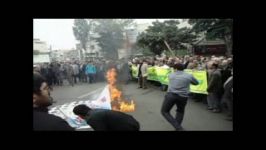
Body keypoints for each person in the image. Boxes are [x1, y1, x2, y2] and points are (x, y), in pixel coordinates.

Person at [161, 63, 199, 131]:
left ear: (175, 69)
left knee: (164, 111)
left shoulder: (171, 75)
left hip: (171, 95)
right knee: (180, 111)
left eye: (173, 68)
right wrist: (189, 81)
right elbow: (196, 83)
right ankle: (178, 127)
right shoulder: (189, 75)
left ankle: (178, 127)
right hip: (183, 96)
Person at [73, 105, 140, 131]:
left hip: (129, 128)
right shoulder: (95, 111)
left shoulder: (91, 118)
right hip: (132, 122)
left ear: (80, 115)